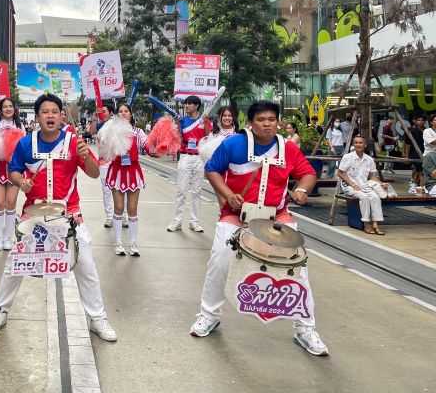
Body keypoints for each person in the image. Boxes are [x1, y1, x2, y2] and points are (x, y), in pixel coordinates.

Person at [189, 100, 328, 357]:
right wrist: (228, 194)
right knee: (220, 261)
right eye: (261, 120)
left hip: (277, 216)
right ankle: (208, 315)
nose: (267, 124)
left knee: (298, 271)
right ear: (251, 123)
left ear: (277, 122)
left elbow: (308, 174)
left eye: (271, 120)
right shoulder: (233, 144)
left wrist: (300, 189)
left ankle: (306, 329)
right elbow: (212, 170)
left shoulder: (288, 148)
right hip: (236, 214)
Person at [0, 93, 117, 343]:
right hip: (34, 211)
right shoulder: (25, 143)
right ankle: (0, 310)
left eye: (54, 111)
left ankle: (97, 317)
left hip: (69, 212)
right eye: (45, 112)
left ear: (61, 115)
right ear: (38, 116)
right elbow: (13, 170)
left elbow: (94, 174)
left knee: (85, 262)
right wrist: (20, 181)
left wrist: (86, 155)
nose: (50, 116)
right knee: (16, 263)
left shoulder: (74, 141)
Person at [0, 97, 26, 251]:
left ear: (14, 109)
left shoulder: (20, 126)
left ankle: (8, 238)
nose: (8, 109)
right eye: (5, 106)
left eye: (10, 106)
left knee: (11, 203)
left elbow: (24, 147)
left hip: (15, 167)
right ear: (0, 110)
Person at [107, 103, 148, 257]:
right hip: (117, 171)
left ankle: (133, 243)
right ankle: (118, 243)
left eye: (126, 111)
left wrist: (158, 143)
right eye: (120, 111)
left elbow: (147, 146)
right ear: (117, 115)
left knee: (132, 209)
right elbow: (105, 148)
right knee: (118, 208)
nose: (123, 113)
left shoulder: (138, 132)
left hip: (133, 171)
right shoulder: (111, 131)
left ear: (131, 114)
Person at [167, 95, 212, 233]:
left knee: (197, 191)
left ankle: (194, 222)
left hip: (199, 157)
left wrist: (205, 123)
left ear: (196, 106)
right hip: (185, 157)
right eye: (185, 104)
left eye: (189, 104)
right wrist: (178, 124)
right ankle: (177, 221)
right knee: (181, 190)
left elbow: (209, 136)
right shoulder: (183, 120)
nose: (186, 106)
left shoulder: (204, 119)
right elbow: (178, 137)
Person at [337, 134, 390, 234]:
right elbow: (340, 173)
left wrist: (381, 183)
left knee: (375, 197)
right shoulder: (347, 157)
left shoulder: (369, 159)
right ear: (353, 144)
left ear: (365, 145)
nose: (358, 144)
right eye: (356, 142)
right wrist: (352, 184)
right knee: (364, 197)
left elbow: (371, 176)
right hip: (349, 186)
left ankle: (375, 224)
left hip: (365, 185)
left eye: (360, 143)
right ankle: (366, 224)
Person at [86, 104, 115, 227]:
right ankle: (109, 217)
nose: (102, 113)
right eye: (101, 111)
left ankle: (123, 216)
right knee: (106, 191)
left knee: (120, 190)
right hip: (103, 163)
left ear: (111, 113)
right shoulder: (100, 125)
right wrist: (94, 118)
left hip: (116, 162)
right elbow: (90, 132)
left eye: (105, 111)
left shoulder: (116, 124)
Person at [405, 115, 426, 191]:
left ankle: (418, 186)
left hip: (425, 152)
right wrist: (406, 155)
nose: (421, 122)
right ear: (415, 121)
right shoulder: (412, 131)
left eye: (422, 120)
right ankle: (414, 186)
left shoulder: (427, 131)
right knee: (418, 170)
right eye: (419, 120)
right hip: (414, 153)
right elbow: (408, 144)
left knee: (421, 171)